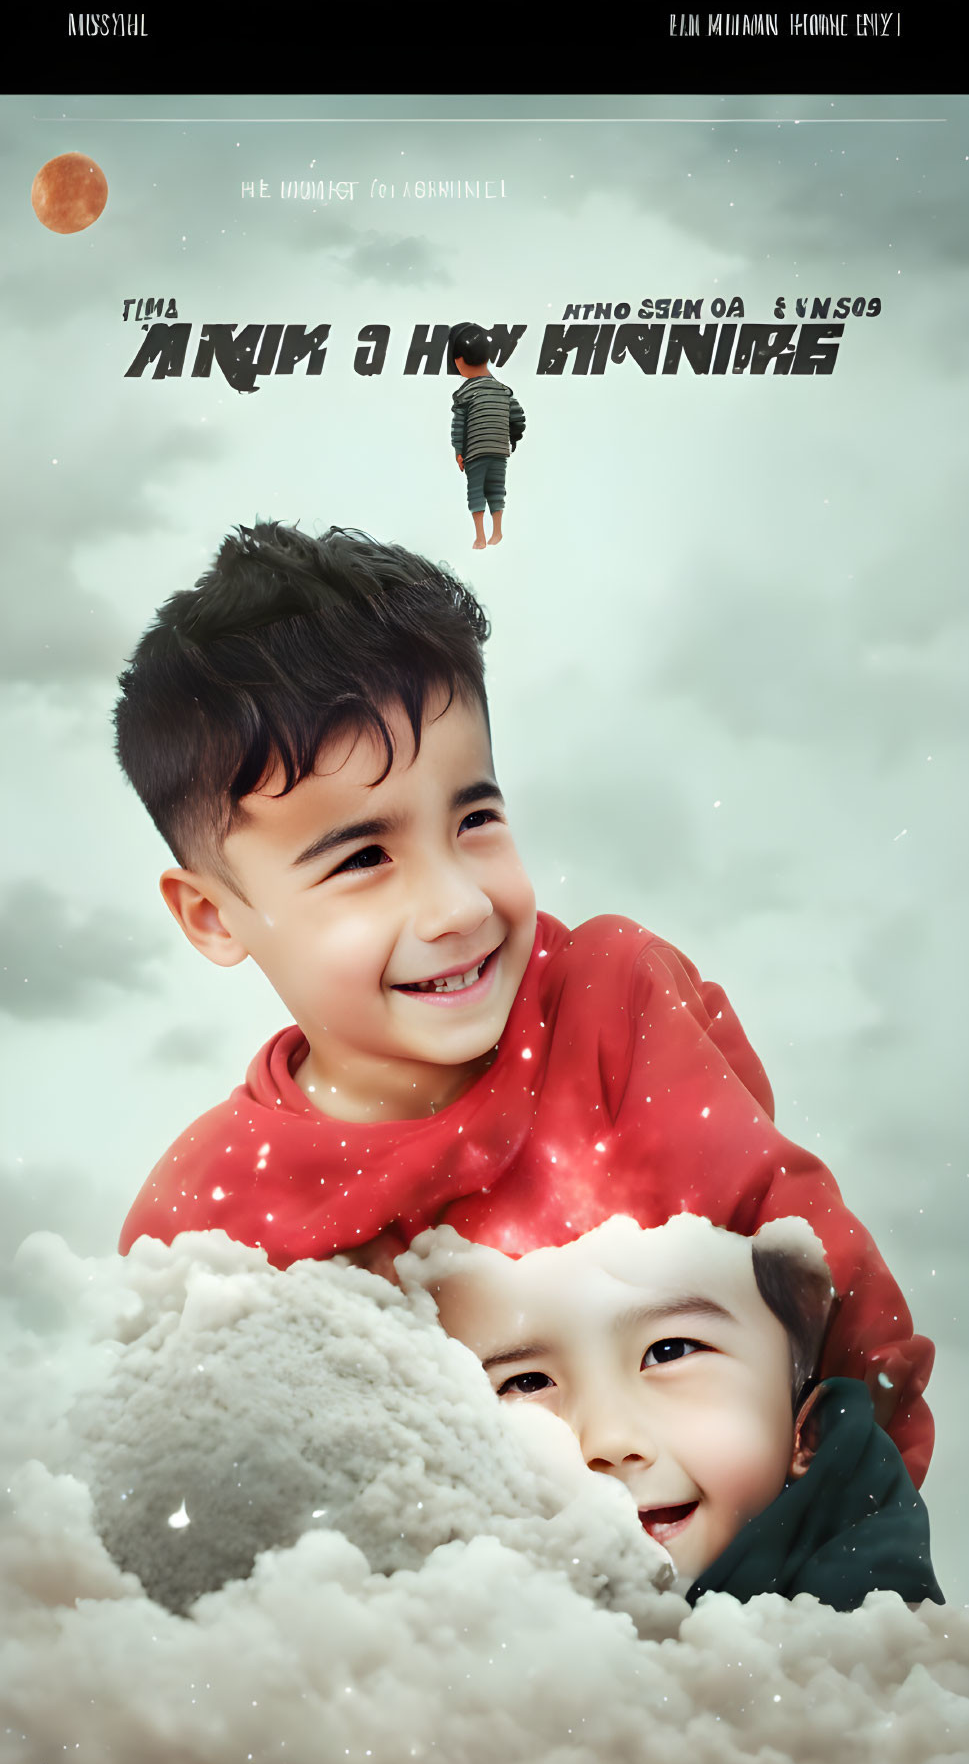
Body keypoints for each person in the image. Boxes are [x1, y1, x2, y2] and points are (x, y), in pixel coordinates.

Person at [114, 519, 935, 1490]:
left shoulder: (610, 1011)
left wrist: (841, 1541)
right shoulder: (209, 1217)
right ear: (214, 915)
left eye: (475, 817)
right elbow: (188, 1490)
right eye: (364, 857)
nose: (458, 904)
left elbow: (820, 1289)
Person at [396, 1214, 944, 1609]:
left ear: (810, 1434)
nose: (608, 1441)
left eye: (670, 1351)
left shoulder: (875, 1660)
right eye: (526, 1381)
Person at [448, 321, 525, 550]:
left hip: (476, 451)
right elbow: (518, 417)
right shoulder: (504, 390)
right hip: (499, 450)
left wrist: (459, 451)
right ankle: (498, 531)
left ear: (459, 361)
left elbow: (459, 426)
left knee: (476, 491)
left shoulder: (464, 394)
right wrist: (514, 437)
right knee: (496, 488)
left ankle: (480, 536)